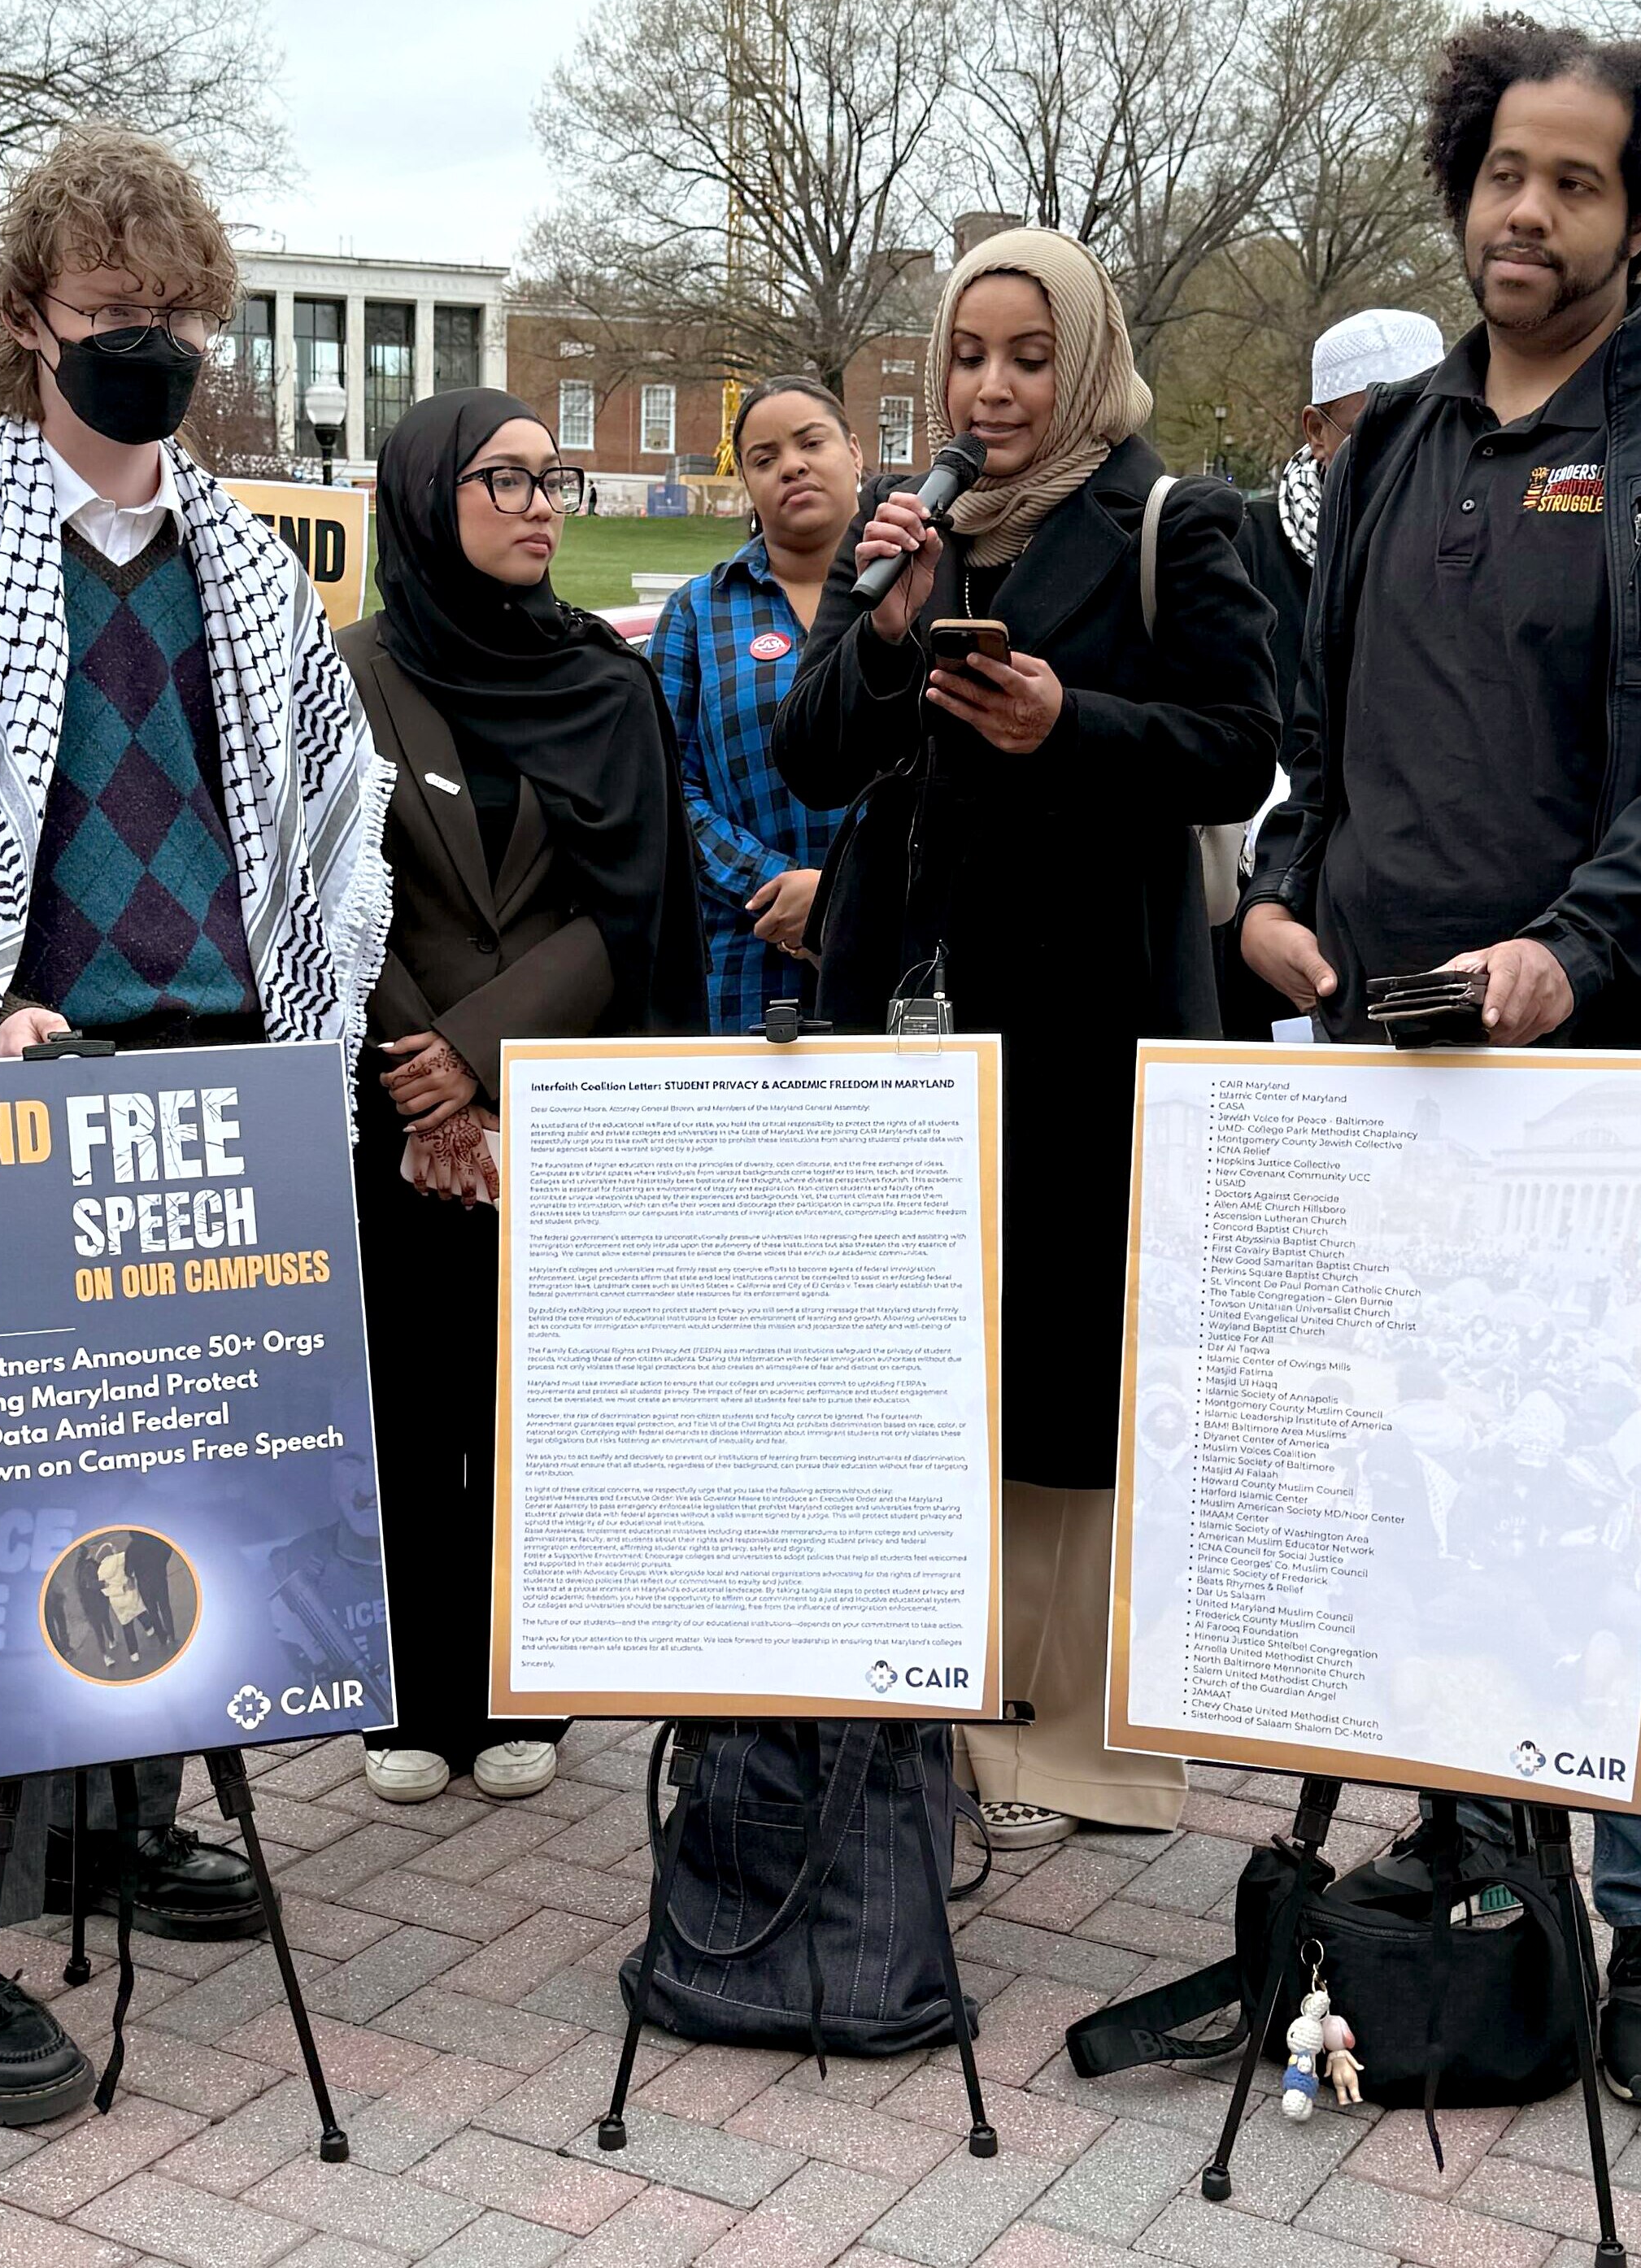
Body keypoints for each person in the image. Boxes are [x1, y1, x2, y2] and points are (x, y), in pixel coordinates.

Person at [1238, 15, 1641, 2105]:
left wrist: (1576, 952)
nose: (1530, 209)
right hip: (1385, 1046)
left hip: (1616, 1056)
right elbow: (1317, 740)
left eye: (1576, 181)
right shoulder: (1400, 440)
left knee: (1624, 1474)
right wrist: (1276, 894)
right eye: (1507, 170)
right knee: (1420, 1450)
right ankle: (1483, 1831)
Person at [0, 124, 394, 2123]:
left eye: (177, 321)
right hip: (12, 1086)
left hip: (213, 1066)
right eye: (116, 318)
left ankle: (110, 1824)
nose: (153, 351)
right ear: (29, 317)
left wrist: (300, 1015)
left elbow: (318, 814)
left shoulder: (238, 551)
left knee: (184, 1481)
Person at [778, 226, 1278, 1848]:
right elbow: (808, 755)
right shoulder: (911, 527)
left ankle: (1075, 1739)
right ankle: (935, 1697)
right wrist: (885, 613)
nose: (992, 387)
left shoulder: (1171, 522)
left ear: (1087, 358)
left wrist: (1076, 721)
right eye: (969, 356)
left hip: (1090, 1013)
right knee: (929, 1361)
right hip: (909, 1003)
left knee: (1074, 1368)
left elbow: (1235, 751)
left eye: (1028, 354)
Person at [336, 387, 703, 1804]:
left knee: (525, 1392)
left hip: (556, 1096)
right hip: (389, 1093)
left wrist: (483, 1059)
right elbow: (321, 899)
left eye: (555, 480)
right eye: (506, 479)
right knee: (409, 1389)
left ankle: (518, 1682)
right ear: (431, 498)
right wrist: (424, 1083)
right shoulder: (347, 677)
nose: (543, 503)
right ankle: (410, 1691)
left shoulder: (607, 686)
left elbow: (635, 907)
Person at [655, 373, 863, 1032]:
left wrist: (842, 898)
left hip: (900, 952)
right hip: (748, 964)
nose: (792, 467)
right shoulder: (697, 613)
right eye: (764, 459)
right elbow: (667, 787)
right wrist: (779, 888)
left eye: (811, 443)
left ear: (855, 453)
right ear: (746, 482)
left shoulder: (925, 592)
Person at [1234, 308, 1447, 716]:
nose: (1405, 455)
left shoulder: (1476, 542)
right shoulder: (1244, 551)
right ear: (1317, 432)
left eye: (1429, 427)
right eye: (1379, 431)